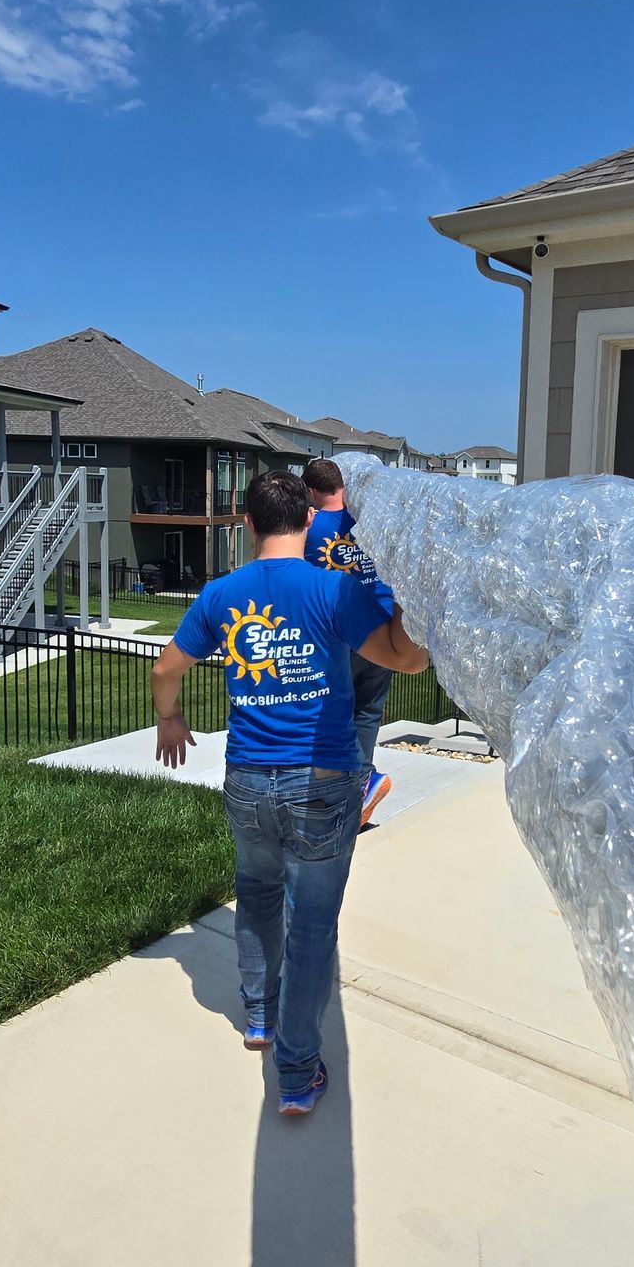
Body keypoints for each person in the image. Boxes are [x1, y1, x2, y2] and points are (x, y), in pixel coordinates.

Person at [152, 468, 429, 1117]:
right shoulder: (332, 591)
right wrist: (418, 603)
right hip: (323, 780)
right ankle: (298, 1074)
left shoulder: (222, 594)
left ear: (248, 525)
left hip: (248, 778)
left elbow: (167, 668)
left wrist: (170, 717)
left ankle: (257, 1016)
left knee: (255, 891)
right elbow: (406, 660)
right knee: (311, 927)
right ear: (309, 522)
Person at [302, 456, 396, 827]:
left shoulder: (308, 528)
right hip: (384, 628)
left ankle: (360, 781)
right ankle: (360, 787)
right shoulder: (371, 521)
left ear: (311, 492)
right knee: (368, 711)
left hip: (340, 631)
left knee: (335, 712)